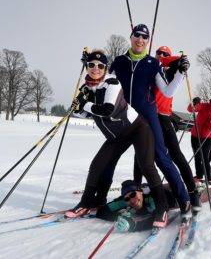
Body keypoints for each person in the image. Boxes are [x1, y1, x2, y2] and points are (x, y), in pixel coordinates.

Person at [66, 49, 169, 228]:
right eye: (91, 65)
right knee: (97, 165)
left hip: (136, 128)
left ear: (105, 67)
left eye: (100, 65)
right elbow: (87, 114)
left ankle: (162, 206)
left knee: (146, 165)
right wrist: (76, 108)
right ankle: (86, 203)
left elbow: (107, 110)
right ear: (87, 67)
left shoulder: (112, 83)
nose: (95, 68)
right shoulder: (85, 88)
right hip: (117, 135)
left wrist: (85, 104)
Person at [109, 24, 192, 218]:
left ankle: (183, 198)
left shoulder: (152, 63)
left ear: (147, 41)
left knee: (160, 157)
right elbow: (106, 82)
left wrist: (180, 72)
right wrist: (91, 66)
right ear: (131, 37)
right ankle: (94, 200)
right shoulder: (119, 61)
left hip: (147, 117)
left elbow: (167, 91)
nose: (140, 39)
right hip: (124, 117)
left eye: (144, 37)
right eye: (137, 35)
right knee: (110, 156)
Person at [133, 45, 201, 211]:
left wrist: (182, 63)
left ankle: (192, 193)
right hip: (147, 116)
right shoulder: (150, 69)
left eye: (165, 54)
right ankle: (136, 190)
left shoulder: (170, 71)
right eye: (158, 53)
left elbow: (176, 67)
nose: (161, 55)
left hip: (163, 118)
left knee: (176, 155)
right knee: (140, 154)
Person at [96, 180, 211, 232]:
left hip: (175, 197)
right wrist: (117, 216)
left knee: (204, 193)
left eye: (133, 195)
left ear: (139, 192)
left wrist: (133, 225)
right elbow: (102, 211)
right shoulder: (127, 199)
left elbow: (158, 220)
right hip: (163, 189)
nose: (131, 201)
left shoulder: (153, 199)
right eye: (127, 199)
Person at [187, 93, 211, 183]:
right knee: (197, 156)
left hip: (207, 138)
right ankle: (199, 176)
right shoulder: (204, 106)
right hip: (195, 135)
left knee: (205, 158)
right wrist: (194, 103)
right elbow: (190, 109)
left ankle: (209, 178)